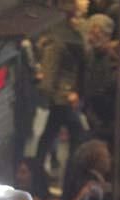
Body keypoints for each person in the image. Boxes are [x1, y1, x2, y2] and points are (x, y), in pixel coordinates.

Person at [34, 0, 88, 164]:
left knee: (51, 134)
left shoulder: (72, 31)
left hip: (65, 94)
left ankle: (38, 169)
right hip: (62, 95)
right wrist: (52, 92)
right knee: (75, 133)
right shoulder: (60, 35)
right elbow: (52, 67)